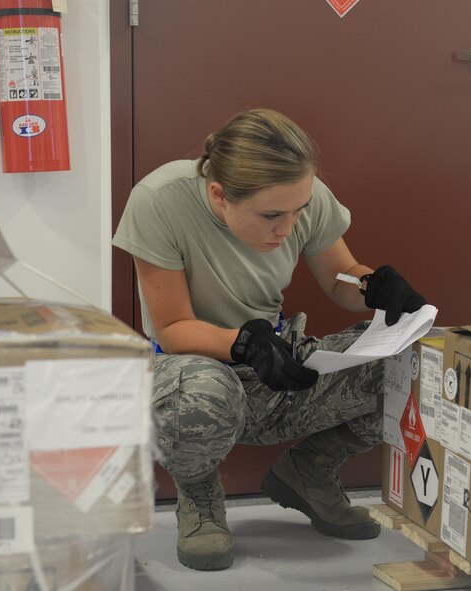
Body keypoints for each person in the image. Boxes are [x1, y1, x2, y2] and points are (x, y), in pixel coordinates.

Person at [112, 108, 427, 571]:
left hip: (278, 361)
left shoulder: (301, 193)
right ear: (219, 194)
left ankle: (311, 471)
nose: (288, 228)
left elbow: (340, 278)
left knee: (405, 360)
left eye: (299, 211)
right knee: (199, 392)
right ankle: (199, 500)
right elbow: (174, 328)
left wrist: (372, 286)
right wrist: (244, 345)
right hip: (190, 367)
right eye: (272, 215)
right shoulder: (159, 200)